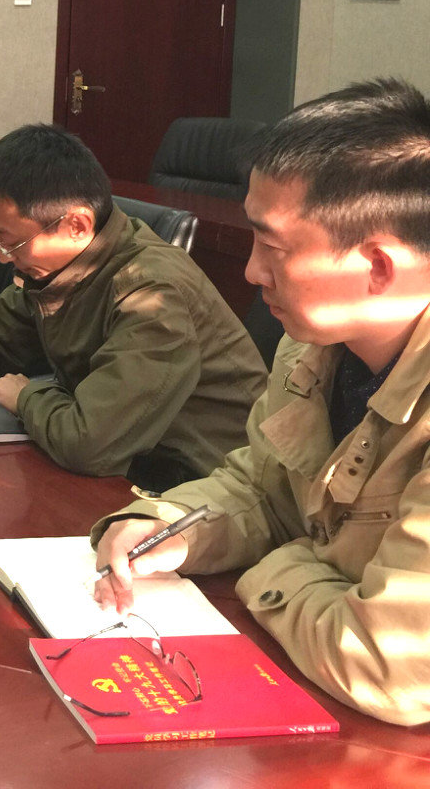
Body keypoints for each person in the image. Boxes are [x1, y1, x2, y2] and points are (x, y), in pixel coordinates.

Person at [92, 79, 430, 726]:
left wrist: (280, 564)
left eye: (273, 248)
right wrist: (172, 527)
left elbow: (386, 663)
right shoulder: (313, 349)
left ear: (379, 268)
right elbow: (263, 486)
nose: (251, 272)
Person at [0, 123, 265, 491]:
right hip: (129, 462)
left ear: (77, 225)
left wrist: (25, 397)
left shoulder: (154, 295)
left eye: (12, 242)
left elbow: (91, 442)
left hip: (202, 487)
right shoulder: (65, 265)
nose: (2, 256)